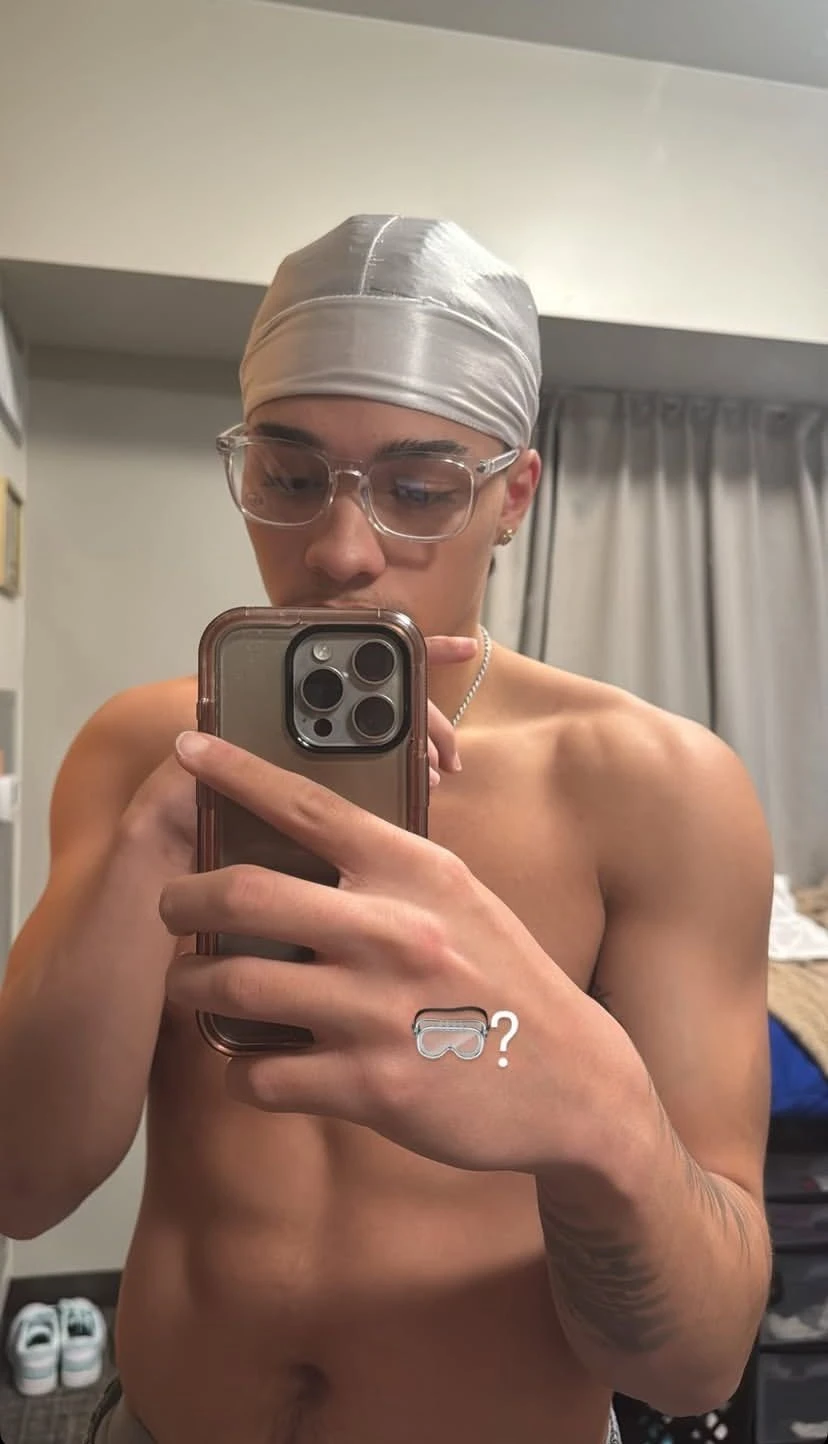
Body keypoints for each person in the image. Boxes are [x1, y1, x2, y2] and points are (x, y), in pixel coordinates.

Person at [0, 216, 773, 1444]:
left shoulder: (654, 786)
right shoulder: (137, 750)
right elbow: (22, 1186)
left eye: (419, 488)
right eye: (289, 476)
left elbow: (698, 1361)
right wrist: (160, 832)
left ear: (514, 496)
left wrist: (599, 1116)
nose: (341, 551)